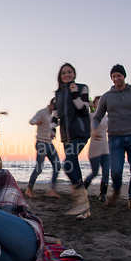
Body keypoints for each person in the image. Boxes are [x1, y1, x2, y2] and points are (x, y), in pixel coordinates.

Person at [92, 64, 131, 212]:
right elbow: (97, 117)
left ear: (124, 76)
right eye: (113, 76)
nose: (116, 78)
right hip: (115, 138)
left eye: (118, 75)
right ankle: (115, 191)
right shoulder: (106, 97)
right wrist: (94, 129)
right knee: (116, 170)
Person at [50, 63, 91, 218]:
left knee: (67, 164)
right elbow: (55, 115)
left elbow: (84, 109)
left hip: (80, 133)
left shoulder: (82, 88)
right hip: (66, 136)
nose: (66, 75)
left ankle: (80, 202)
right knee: (75, 168)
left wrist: (75, 95)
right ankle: (85, 210)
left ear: (74, 74)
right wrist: (52, 129)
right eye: (63, 73)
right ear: (60, 76)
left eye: (69, 72)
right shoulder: (58, 94)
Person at [25, 98, 62, 199]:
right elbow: (31, 121)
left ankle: (52, 190)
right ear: (50, 104)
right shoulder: (42, 112)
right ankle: (29, 190)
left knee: (57, 166)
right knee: (39, 168)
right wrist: (36, 121)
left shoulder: (54, 115)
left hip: (50, 143)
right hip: (41, 143)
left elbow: (55, 123)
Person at [84, 96, 110, 203]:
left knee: (106, 172)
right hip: (95, 148)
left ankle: (102, 194)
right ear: (94, 105)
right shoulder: (90, 116)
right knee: (94, 172)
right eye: (97, 103)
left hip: (106, 148)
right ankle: (82, 190)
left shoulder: (108, 117)